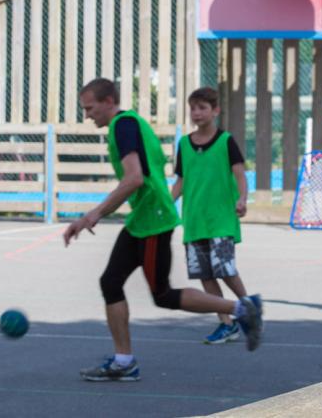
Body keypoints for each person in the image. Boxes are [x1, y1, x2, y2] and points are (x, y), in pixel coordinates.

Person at [64, 78, 263, 382]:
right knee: (111, 281)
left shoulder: (124, 126)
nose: (87, 114)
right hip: (144, 219)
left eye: (90, 108)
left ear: (107, 102)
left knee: (162, 294)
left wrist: (92, 215)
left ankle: (242, 308)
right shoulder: (131, 125)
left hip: (153, 222)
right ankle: (124, 360)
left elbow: (135, 179)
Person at [170, 87, 253, 344]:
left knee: (226, 270)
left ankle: (250, 309)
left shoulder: (226, 141)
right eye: (193, 108)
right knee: (205, 275)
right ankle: (226, 323)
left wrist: (242, 198)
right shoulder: (184, 144)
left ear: (215, 110)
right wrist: (165, 203)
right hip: (194, 221)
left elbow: (239, 174)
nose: (197, 113)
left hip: (221, 220)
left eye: (202, 107)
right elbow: (181, 181)